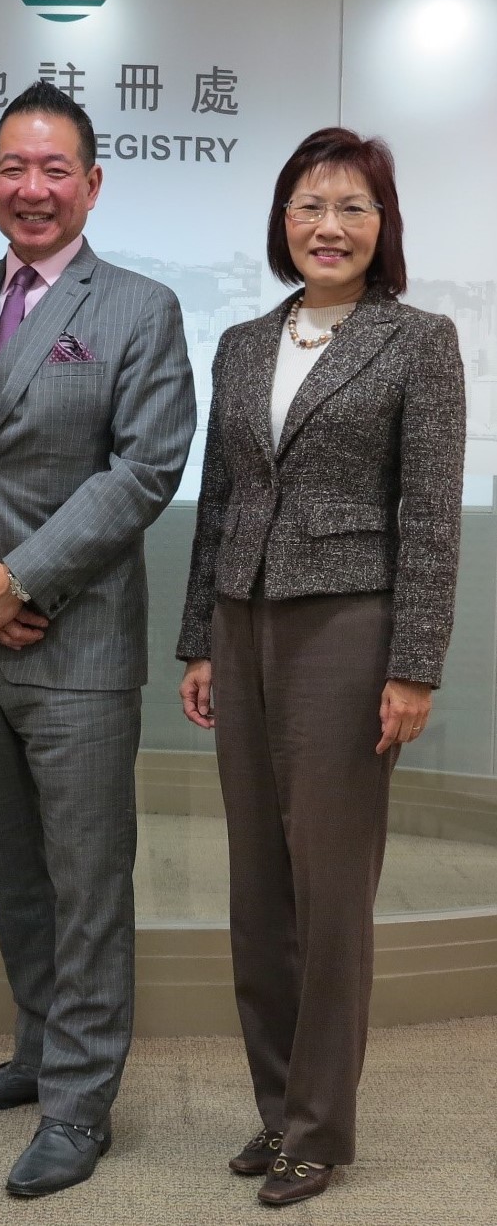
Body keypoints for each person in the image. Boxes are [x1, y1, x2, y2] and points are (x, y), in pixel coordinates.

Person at [0, 81, 195, 1198]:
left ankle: (79, 1105)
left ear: (94, 183)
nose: (34, 187)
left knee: (87, 881)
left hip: (78, 652)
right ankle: (36, 1052)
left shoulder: (141, 308)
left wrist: (23, 575)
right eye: (15, 166)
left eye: (56, 168)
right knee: (15, 876)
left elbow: (145, 468)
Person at [177, 127, 465, 1206]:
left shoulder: (418, 340)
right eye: (308, 205)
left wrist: (413, 663)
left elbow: (430, 516)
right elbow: (219, 500)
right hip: (243, 620)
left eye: (351, 206)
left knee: (331, 889)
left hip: (350, 627)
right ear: (281, 221)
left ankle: (323, 1127)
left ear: (382, 225)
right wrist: (201, 634)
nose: (327, 225)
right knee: (259, 887)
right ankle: (277, 1109)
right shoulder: (246, 342)